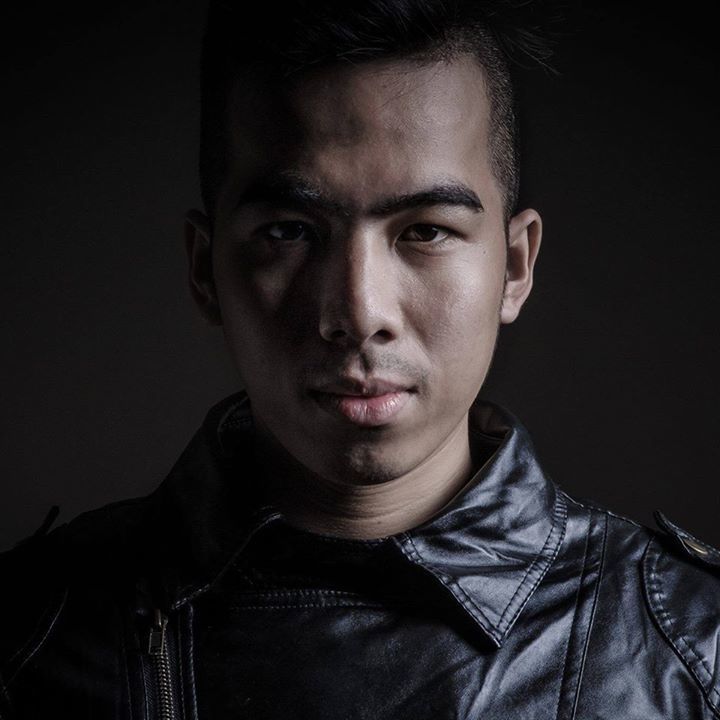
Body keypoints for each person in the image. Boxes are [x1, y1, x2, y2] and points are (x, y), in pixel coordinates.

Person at [1, 1, 719, 718]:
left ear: (514, 266)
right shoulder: (24, 641)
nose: (359, 312)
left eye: (426, 231)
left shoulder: (694, 656)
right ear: (204, 270)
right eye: (290, 231)